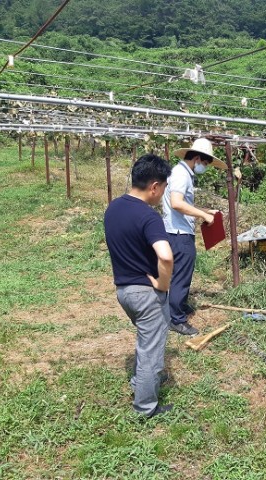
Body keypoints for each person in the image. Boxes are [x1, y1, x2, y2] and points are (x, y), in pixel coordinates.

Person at [104, 154, 174, 417]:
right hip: (146, 294)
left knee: (146, 343)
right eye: (164, 189)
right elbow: (166, 255)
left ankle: (141, 381)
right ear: (154, 186)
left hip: (124, 291)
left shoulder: (113, 208)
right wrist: (163, 285)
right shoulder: (149, 216)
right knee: (152, 352)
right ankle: (145, 407)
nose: (162, 195)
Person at [162, 138, 227, 336]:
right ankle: (177, 319)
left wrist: (206, 210)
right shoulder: (181, 174)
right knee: (181, 276)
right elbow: (177, 203)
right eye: (205, 164)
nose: (205, 168)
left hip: (175, 231)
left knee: (176, 275)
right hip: (179, 234)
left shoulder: (182, 173)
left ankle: (176, 307)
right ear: (197, 159)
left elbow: (184, 203)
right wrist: (204, 215)